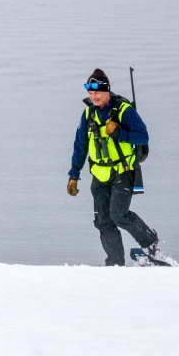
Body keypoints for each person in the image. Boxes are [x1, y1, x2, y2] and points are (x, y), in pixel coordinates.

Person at [67, 68, 162, 266]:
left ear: (107, 91)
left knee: (119, 215)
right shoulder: (87, 114)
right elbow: (80, 146)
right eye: (90, 94)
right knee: (103, 221)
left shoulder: (124, 110)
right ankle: (115, 264)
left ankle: (150, 242)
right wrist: (74, 174)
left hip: (123, 172)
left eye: (97, 93)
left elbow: (143, 136)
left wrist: (121, 133)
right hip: (99, 175)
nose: (94, 97)